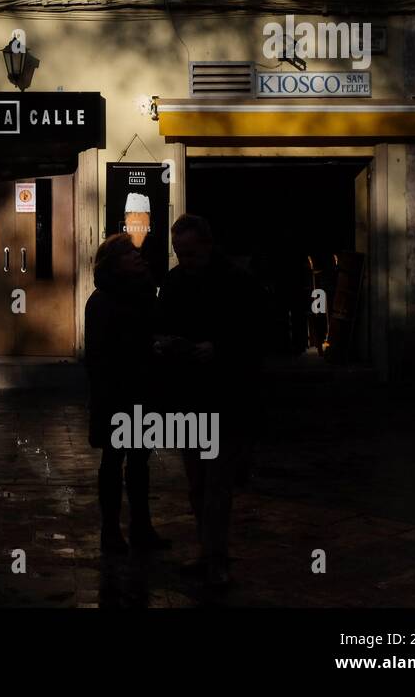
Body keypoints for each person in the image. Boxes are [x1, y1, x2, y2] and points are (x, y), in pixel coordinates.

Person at [155, 214, 264, 588]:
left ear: (207, 245)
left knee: (217, 484)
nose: (184, 259)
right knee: (197, 483)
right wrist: (167, 344)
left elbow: (259, 336)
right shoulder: (173, 281)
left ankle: (215, 556)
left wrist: (219, 349)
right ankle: (207, 550)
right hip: (188, 396)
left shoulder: (238, 282)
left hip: (227, 397)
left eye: (190, 252)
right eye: (178, 252)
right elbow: (163, 324)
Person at [84, 233, 171, 555]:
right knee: (113, 459)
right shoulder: (103, 299)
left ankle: (141, 526)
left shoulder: (145, 292)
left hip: (144, 388)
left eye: (136, 251)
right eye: (127, 253)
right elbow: (98, 355)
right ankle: (111, 531)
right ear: (113, 262)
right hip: (116, 393)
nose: (136, 256)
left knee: (140, 461)